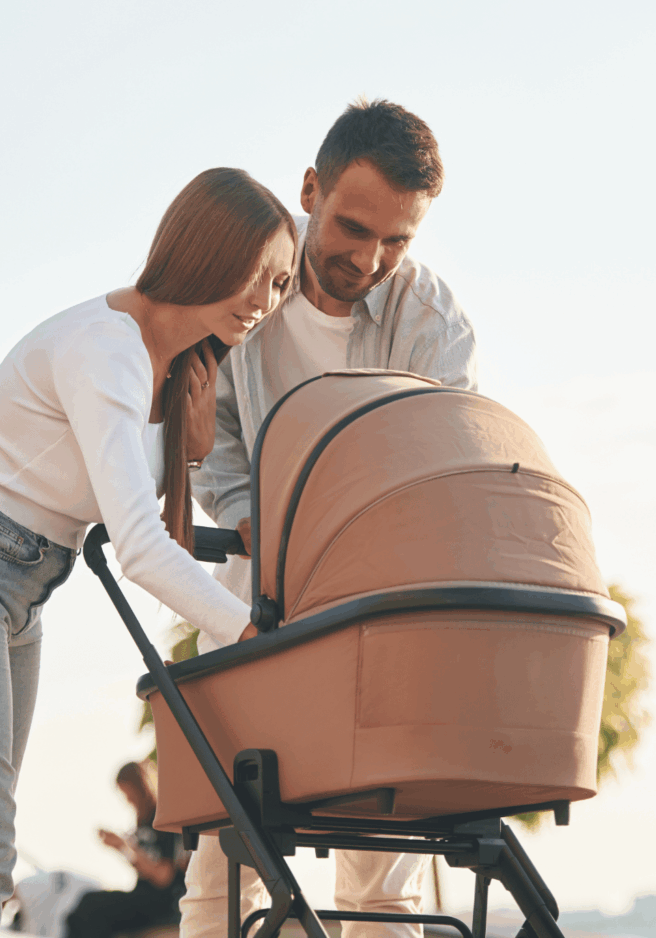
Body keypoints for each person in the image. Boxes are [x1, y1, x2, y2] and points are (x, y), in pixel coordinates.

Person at [0, 167, 297, 938]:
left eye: (282, 283)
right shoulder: (109, 349)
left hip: (11, 590)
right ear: (206, 250)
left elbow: (136, 509)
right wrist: (255, 634)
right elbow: (141, 547)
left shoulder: (169, 369)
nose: (266, 300)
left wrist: (191, 449)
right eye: (258, 274)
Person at [181, 99, 478, 938]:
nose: (370, 259)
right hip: (252, 602)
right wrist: (247, 515)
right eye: (353, 228)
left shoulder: (432, 324)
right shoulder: (242, 287)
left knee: (385, 875)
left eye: (396, 240)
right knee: (222, 867)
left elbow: (441, 460)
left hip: (380, 609)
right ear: (310, 190)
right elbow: (211, 433)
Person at [65, 762, 187, 937]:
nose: (128, 800)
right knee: (83, 908)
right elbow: (142, 865)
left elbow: (164, 876)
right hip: (144, 895)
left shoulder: (164, 819)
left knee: (91, 907)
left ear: (140, 788)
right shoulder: (143, 822)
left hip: (164, 901)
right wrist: (122, 847)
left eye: (129, 794)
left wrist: (124, 846)